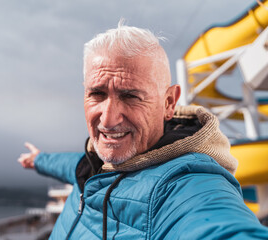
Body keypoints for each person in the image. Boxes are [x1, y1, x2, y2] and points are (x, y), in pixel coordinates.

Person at [18, 22, 268, 239]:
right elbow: (67, 164)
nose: (109, 118)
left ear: (169, 103)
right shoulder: (90, 164)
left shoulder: (185, 183)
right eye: (97, 93)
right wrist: (38, 160)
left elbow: (215, 223)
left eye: (130, 96)